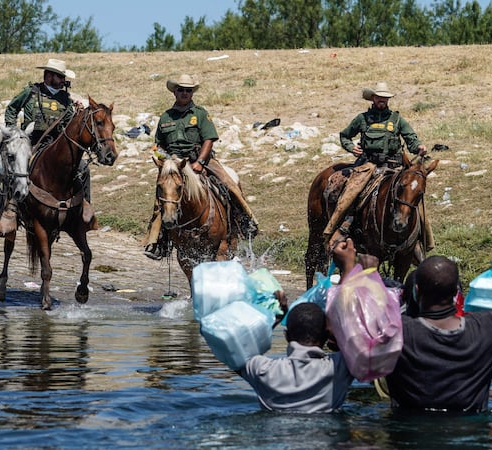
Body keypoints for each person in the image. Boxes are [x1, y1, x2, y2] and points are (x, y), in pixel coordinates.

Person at [378, 228, 492, 413]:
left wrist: (356, 270)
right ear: (457, 293)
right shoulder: (485, 331)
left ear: (416, 290)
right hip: (472, 436)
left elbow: (342, 331)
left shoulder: (396, 333)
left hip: (408, 437)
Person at [143, 74, 258, 260]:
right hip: (175, 163)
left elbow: (208, 140)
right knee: (163, 197)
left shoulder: (200, 113)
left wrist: (200, 162)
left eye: (188, 90)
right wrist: (164, 160)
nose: (184, 93)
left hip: (200, 160)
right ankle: (157, 241)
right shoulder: (165, 117)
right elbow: (159, 144)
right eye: (181, 90)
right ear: (175, 92)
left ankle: (247, 218)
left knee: (227, 182)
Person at [324, 82, 432, 252]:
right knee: (353, 190)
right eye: (379, 97)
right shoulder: (362, 119)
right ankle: (342, 225)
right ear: (373, 98)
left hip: (394, 166)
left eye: (385, 98)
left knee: (411, 194)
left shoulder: (396, 120)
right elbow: (344, 135)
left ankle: (423, 239)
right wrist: (351, 147)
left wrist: (419, 146)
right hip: (369, 165)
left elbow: (411, 138)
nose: (382, 100)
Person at [0, 58, 94, 234]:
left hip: (55, 145)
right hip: (31, 141)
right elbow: (11, 109)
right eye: (60, 77)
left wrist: (78, 114)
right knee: (17, 166)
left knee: (82, 168)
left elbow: (68, 124)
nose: (63, 81)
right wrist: (13, 132)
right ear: (49, 76)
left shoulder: (65, 99)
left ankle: (84, 204)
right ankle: (10, 207)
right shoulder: (30, 92)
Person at [239, 301, 355, 413]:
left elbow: (237, 349)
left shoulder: (262, 370)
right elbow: (363, 346)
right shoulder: (340, 367)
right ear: (326, 336)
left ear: (286, 336)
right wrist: (338, 339)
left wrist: (274, 320)